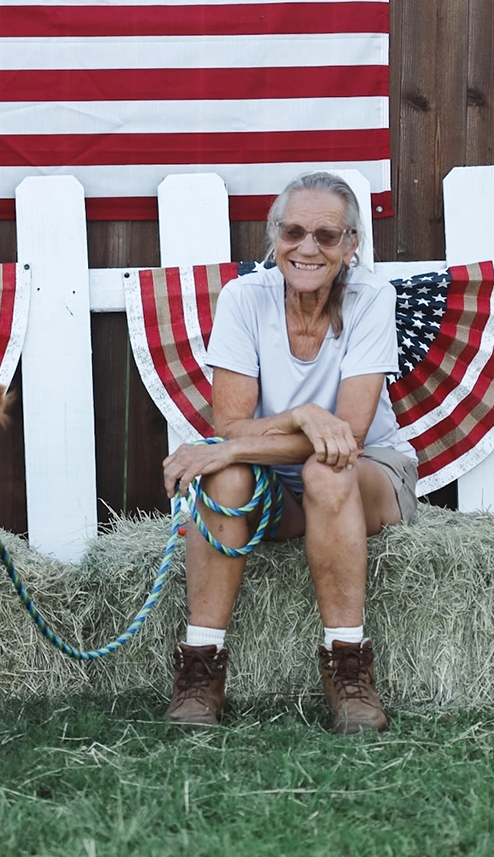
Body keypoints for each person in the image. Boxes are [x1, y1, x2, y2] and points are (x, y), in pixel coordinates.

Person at [160, 171, 419, 734]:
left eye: (326, 236)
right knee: (226, 480)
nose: (307, 248)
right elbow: (231, 426)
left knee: (326, 472)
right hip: (281, 480)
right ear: (273, 235)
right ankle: (200, 667)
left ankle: (349, 667)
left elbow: (347, 438)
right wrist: (299, 415)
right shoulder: (243, 298)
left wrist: (240, 444)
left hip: (368, 469)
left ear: (351, 245)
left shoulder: (373, 298)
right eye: (293, 232)